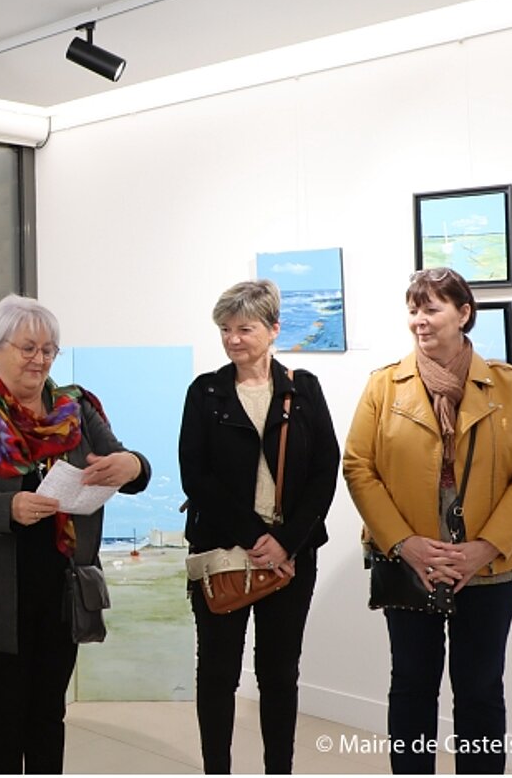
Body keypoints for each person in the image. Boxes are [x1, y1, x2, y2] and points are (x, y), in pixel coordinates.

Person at [0, 293, 150, 774]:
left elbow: (127, 465)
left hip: (61, 592)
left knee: (49, 716)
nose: (40, 359)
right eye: (28, 348)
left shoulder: (78, 409)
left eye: (49, 349)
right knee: (2, 725)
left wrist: (131, 465)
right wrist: (7, 507)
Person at [344, 267, 512, 774]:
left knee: (480, 690)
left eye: (431, 308)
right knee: (412, 687)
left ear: (464, 313)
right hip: (411, 564)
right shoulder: (383, 386)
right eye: (413, 309)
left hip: (489, 568)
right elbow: (358, 467)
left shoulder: (505, 386)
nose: (419, 320)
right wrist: (404, 543)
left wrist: (487, 546)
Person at [179, 279, 338, 774]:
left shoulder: (303, 388)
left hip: (290, 556)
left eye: (244, 329)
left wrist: (286, 541)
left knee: (279, 674)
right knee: (218, 673)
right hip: (226, 553)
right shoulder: (205, 391)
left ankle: (279, 770)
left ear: (273, 330)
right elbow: (195, 476)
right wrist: (255, 537)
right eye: (225, 329)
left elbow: (325, 469)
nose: (233, 340)